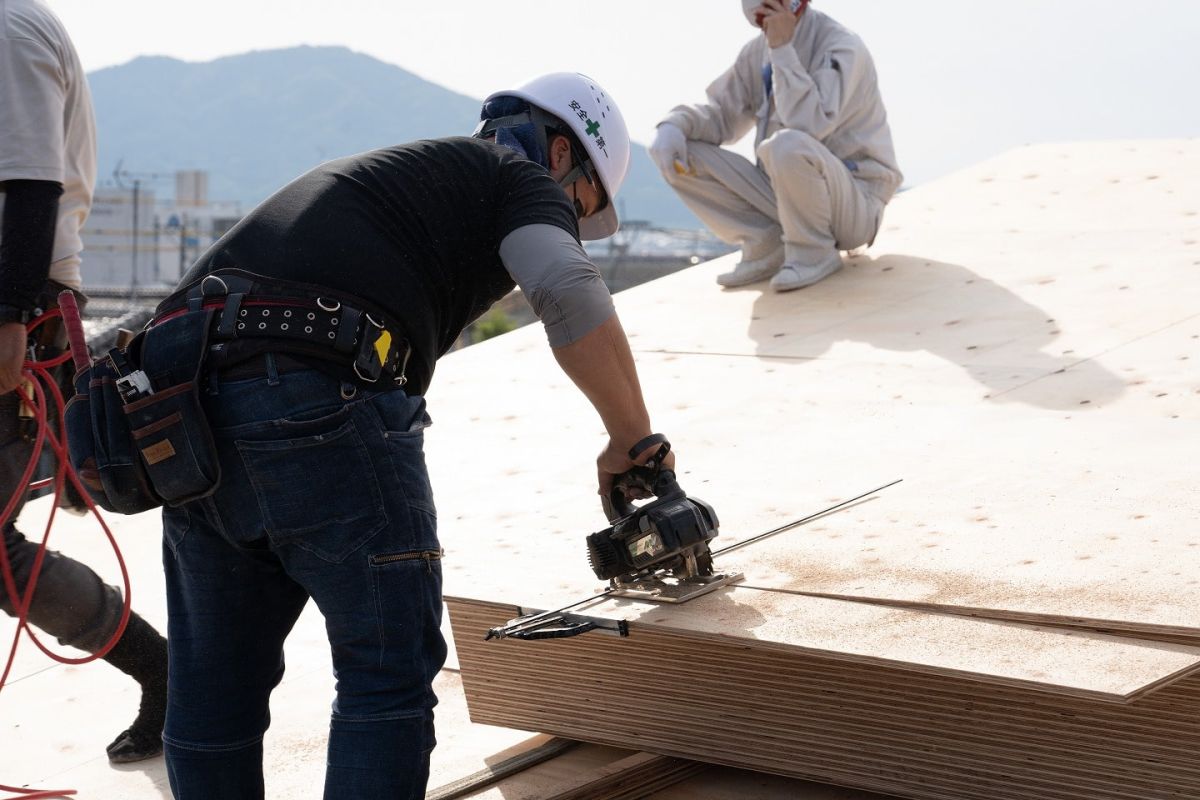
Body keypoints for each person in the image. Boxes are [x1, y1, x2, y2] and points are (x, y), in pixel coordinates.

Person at [145, 71, 671, 799]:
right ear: (559, 155)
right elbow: (566, 286)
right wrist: (634, 438)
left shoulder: (391, 185)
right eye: (579, 207)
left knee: (211, 691)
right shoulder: (517, 175)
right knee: (383, 677)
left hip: (195, 423)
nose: (569, 224)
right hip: (320, 401)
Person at [0, 0, 168, 764]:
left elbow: (31, 185)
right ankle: (161, 667)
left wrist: (7, 320)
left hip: (16, 320)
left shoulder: (7, 27)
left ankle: (161, 667)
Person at [649, 0, 902, 291]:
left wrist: (783, 50)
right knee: (684, 154)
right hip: (786, 201)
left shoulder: (840, 45)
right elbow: (722, 116)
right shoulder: (757, 52)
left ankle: (813, 252)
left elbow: (808, 125)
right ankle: (766, 244)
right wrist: (675, 124)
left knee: (786, 145)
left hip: (855, 203)